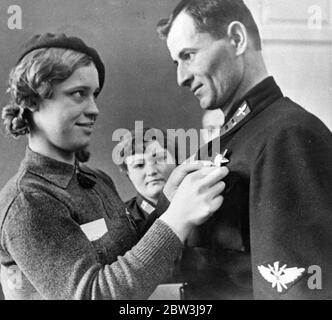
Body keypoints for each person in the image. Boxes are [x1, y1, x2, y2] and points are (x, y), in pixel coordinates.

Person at [0, 33, 229, 300]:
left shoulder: (96, 180)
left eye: (94, 95)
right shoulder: (27, 201)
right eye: (78, 94)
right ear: (32, 101)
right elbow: (93, 294)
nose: (94, 109)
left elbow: (131, 257)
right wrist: (177, 217)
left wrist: (170, 198)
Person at [157, 0, 332, 299]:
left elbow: (296, 290)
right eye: (177, 62)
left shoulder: (288, 134)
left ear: (237, 39)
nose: (181, 78)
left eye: (189, 55)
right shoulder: (229, 140)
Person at [116, 128, 178, 235]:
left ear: (176, 161)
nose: (151, 171)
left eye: (159, 159)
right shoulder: (122, 221)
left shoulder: (203, 201)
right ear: (128, 174)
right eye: (139, 165)